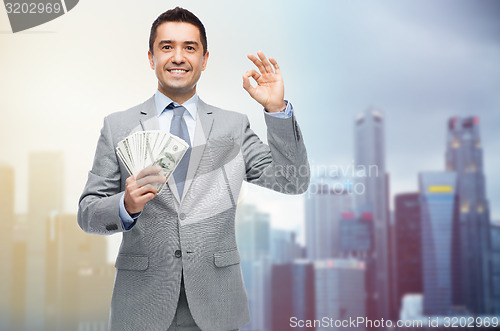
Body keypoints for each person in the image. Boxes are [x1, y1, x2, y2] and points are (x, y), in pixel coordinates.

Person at [78, 7, 309, 331]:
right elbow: (87, 214)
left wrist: (276, 109)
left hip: (218, 308)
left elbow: (292, 182)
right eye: (167, 46)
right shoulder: (118, 126)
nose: (178, 57)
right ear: (151, 57)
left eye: (190, 47)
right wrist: (125, 205)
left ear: (204, 58)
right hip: (143, 309)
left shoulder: (233, 126)